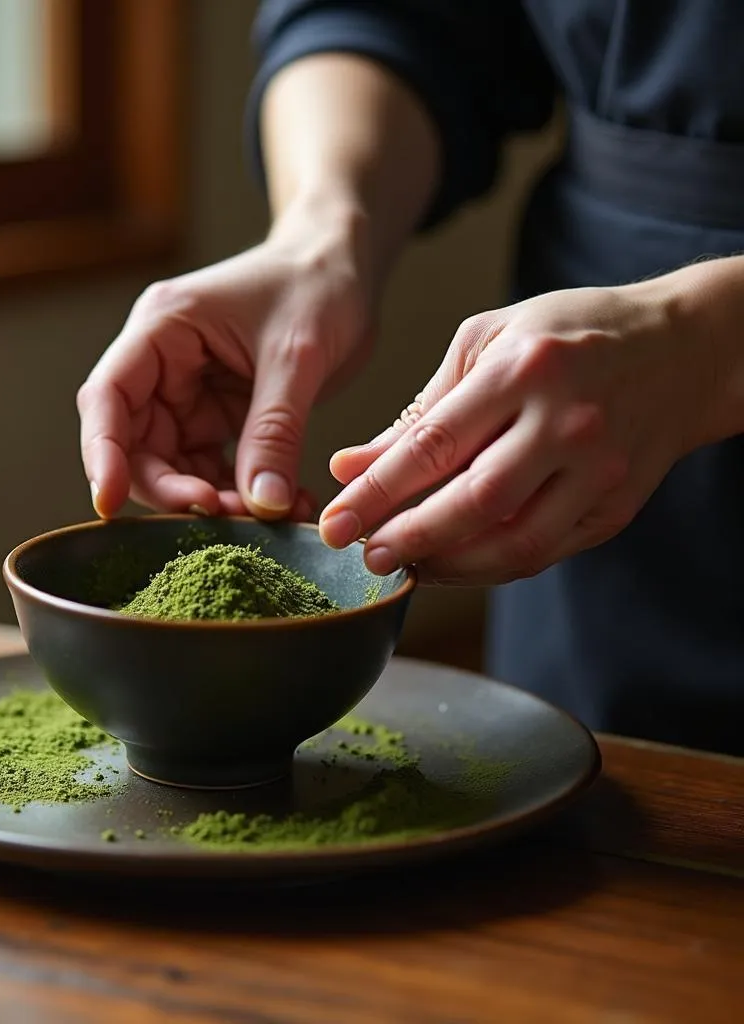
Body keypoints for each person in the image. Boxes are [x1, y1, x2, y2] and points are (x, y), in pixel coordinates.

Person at [77, 1, 744, 756]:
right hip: (585, 444)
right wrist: (322, 231)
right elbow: (400, 18)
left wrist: (711, 337)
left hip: (633, 355)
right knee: (603, 798)